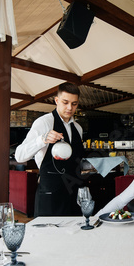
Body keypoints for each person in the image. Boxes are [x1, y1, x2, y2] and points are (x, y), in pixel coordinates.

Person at [15, 82, 84, 217]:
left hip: (73, 195)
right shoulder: (44, 123)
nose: (70, 107)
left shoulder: (78, 128)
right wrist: (42, 139)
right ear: (56, 100)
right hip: (50, 195)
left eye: (74, 104)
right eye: (65, 102)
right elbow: (19, 156)